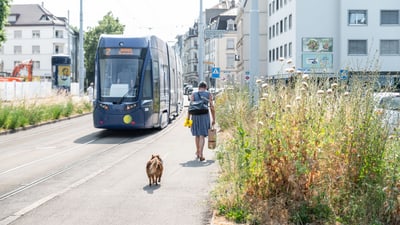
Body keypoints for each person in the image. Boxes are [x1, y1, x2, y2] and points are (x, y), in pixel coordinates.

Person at [188, 81, 215, 161]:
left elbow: (190, 107)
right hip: (204, 116)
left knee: (197, 135)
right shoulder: (208, 94)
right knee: (202, 135)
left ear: (199, 87)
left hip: (195, 116)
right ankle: (201, 153)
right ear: (206, 87)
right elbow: (212, 107)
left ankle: (197, 151)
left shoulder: (193, 94)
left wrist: (188, 120)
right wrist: (214, 119)